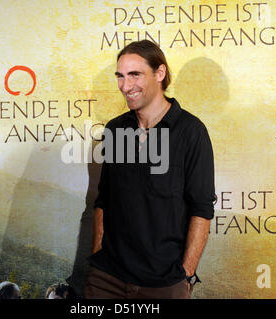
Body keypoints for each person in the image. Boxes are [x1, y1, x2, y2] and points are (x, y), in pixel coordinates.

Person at [84, 40, 216, 299]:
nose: (125, 86)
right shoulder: (115, 129)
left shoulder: (190, 132)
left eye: (135, 75)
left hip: (164, 284)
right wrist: (98, 258)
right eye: (120, 76)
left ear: (160, 73)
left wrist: (185, 276)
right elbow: (104, 200)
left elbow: (201, 210)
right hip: (106, 279)